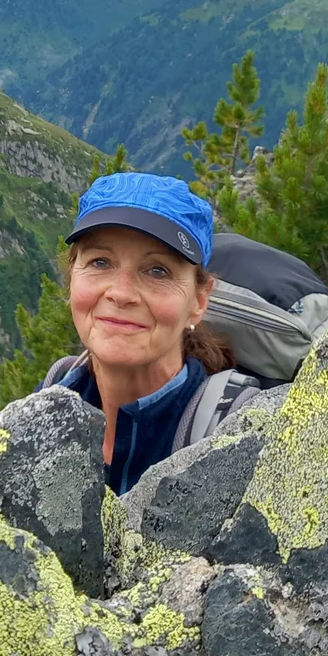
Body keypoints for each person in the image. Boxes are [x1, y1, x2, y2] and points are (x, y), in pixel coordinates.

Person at [41, 172, 236, 494]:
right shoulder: (52, 395)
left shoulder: (231, 435)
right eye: (100, 262)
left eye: (157, 270)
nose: (121, 293)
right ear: (72, 277)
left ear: (199, 301)